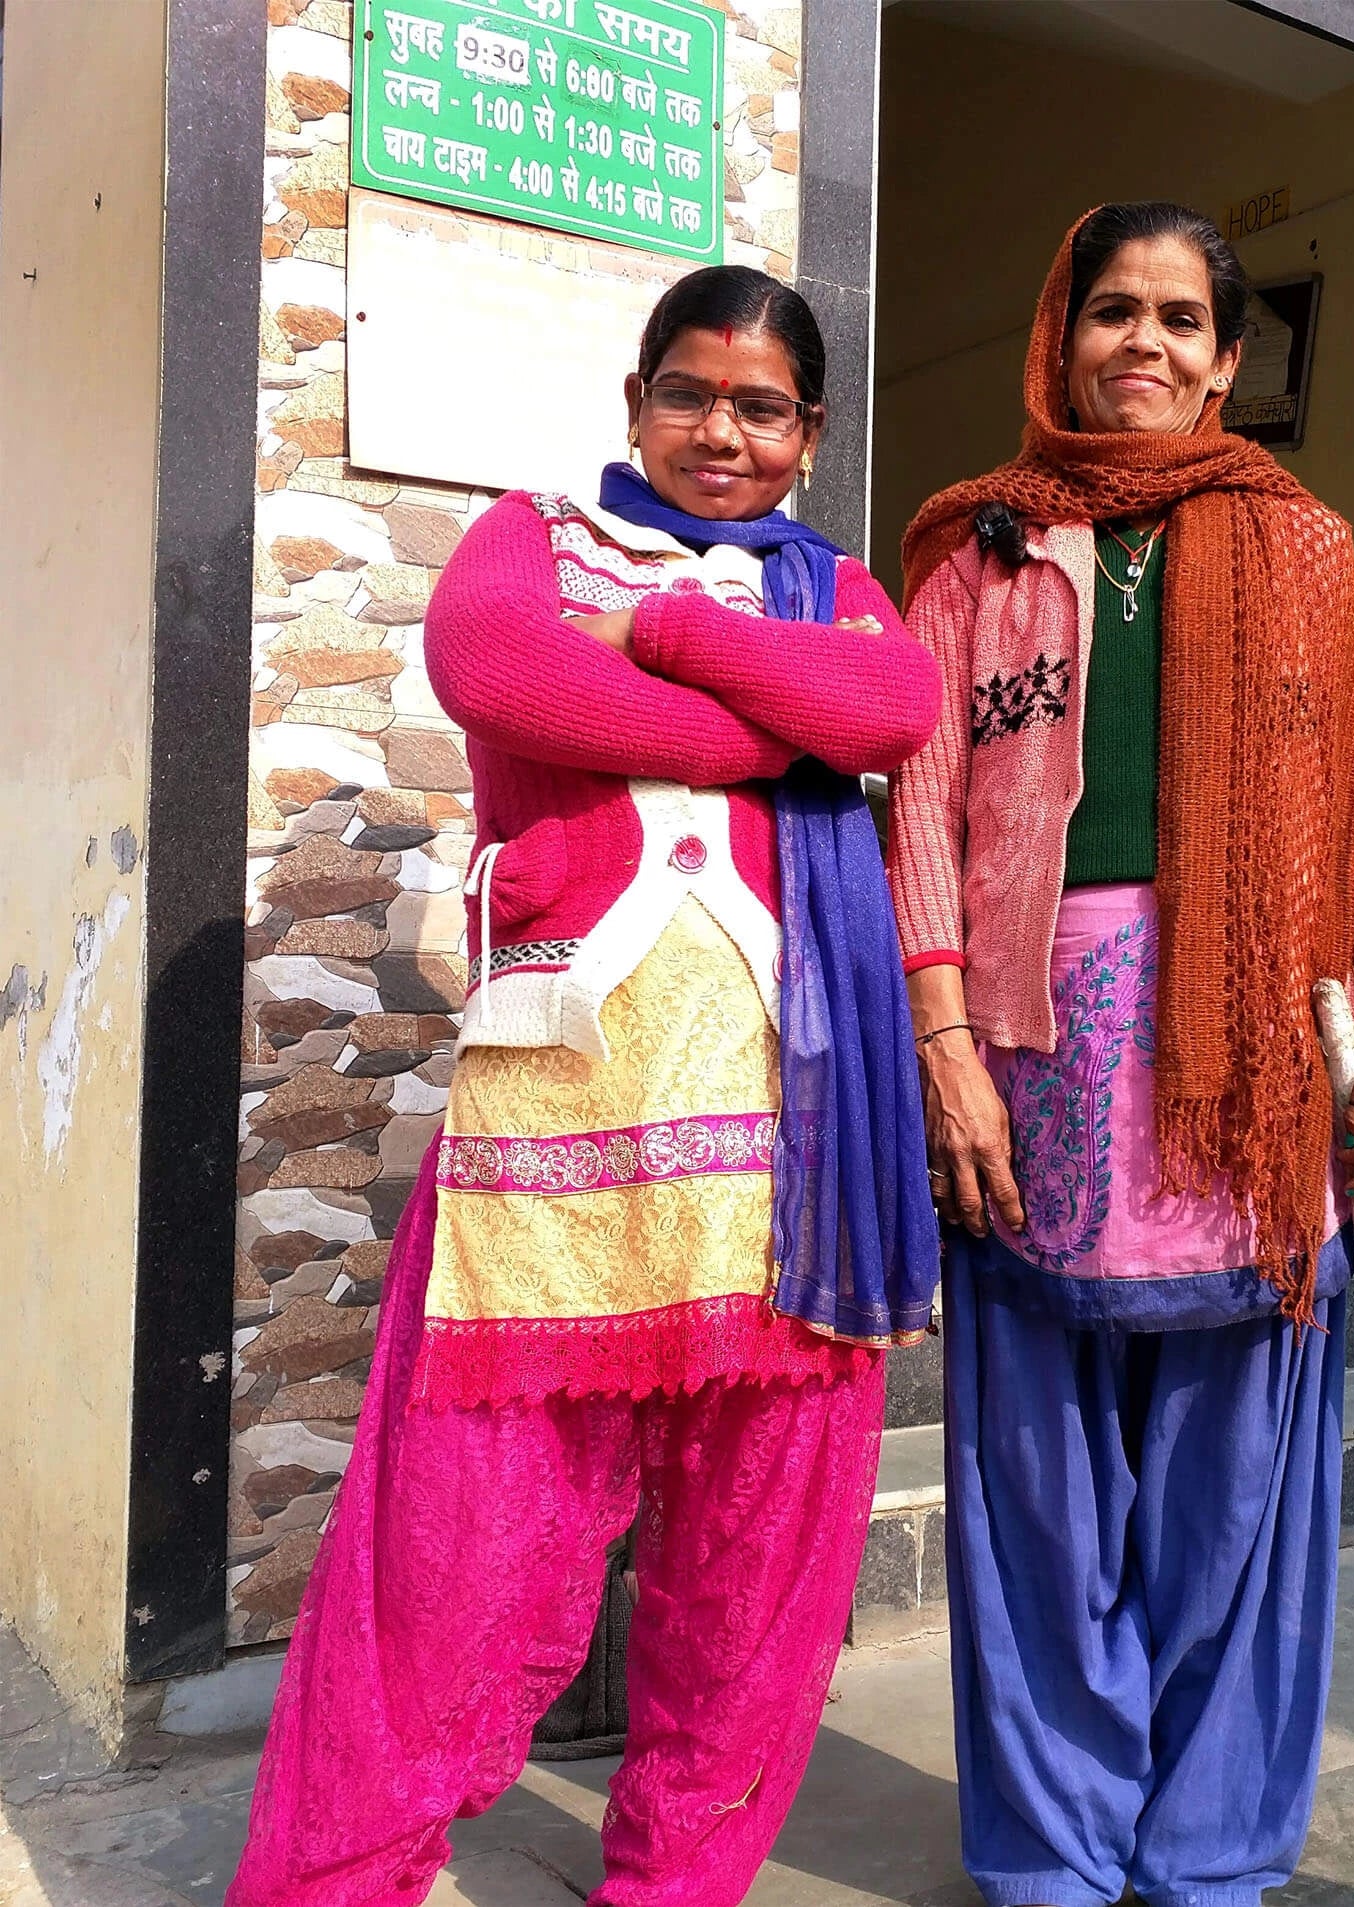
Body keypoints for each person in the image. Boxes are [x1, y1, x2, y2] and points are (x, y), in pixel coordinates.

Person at [228, 266, 943, 1907]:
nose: (720, 430)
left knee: (753, 1578)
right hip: (564, 1131)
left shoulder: (836, 589)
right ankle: (339, 1880)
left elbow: (894, 710)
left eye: (760, 406)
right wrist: (787, 724)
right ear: (636, 404)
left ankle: (679, 1883)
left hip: (793, 1160)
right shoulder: (530, 546)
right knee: (451, 1557)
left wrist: (687, 636)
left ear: (809, 435)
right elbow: (509, 678)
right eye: (690, 392)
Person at [889, 203, 1354, 1907]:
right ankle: (1057, 1854)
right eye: (1114, 309)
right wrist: (942, 1043)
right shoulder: (979, 556)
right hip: (1032, 1060)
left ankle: (1205, 1857)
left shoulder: (1304, 552)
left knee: (1228, 1507)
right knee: (1042, 1510)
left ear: (1226, 353)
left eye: (1183, 317)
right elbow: (920, 809)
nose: (1146, 342)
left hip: (1255, 1080)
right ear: (1062, 334)